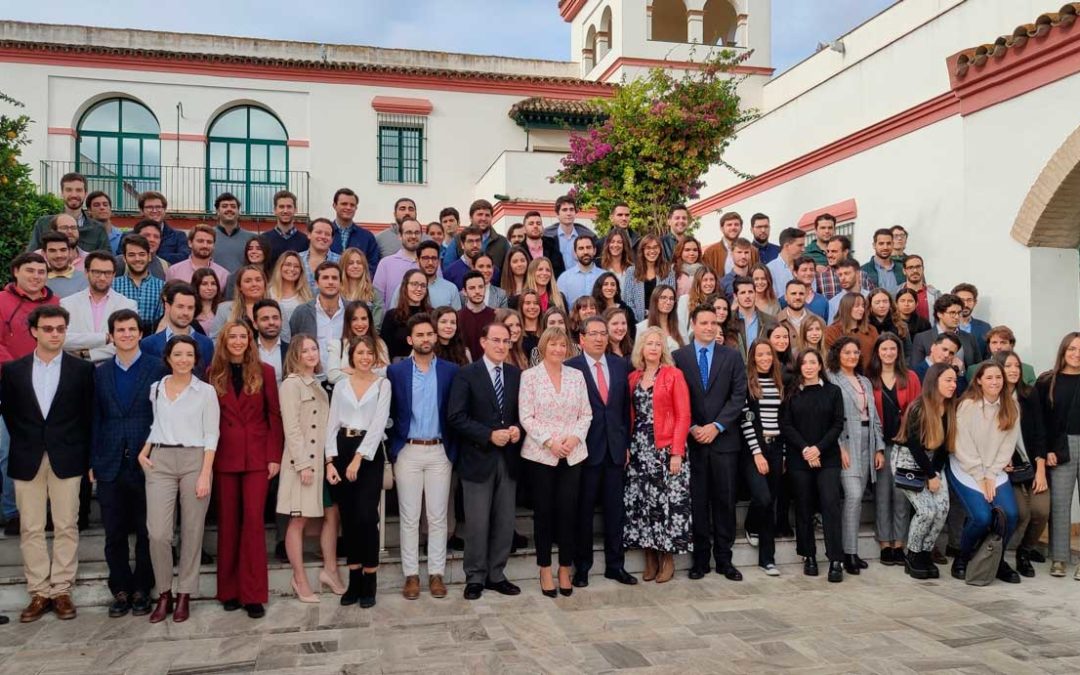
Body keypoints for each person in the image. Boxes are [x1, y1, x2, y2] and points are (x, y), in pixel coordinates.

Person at [1, 305, 93, 623]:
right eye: (48, 328)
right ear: (34, 331)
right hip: (27, 457)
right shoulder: (13, 371)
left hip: (67, 456)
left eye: (60, 329)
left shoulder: (82, 370)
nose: (55, 334)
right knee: (31, 527)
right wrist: (30, 442)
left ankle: (62, 590)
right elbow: (12, 416)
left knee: (67, 525)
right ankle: (39, 591)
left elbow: (87, 416)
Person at [139, 335, 219, 623]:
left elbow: (212, 434)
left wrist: (205, 473)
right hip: (160, 460)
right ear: (168, 358)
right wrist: (145, 449)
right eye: (178, 354)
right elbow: (157, 423)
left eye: (189, 354)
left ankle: (185, 592)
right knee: (158, 532)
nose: (183, 359)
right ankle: (164, 593)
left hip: (194, 459)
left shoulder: (206, 392)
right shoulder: (156, 388)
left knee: (192, 530)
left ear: (196, 359)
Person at [91, 309, 165, 618]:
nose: (126, 334)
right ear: (111, 335)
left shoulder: (157, 368)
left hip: (145, 460)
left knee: (147, 530)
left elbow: (164, 415)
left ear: (140, 333)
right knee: (114, 532)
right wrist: (92, 459)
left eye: (131, 329)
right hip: (109, 461)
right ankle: (119, 588)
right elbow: (94, 418)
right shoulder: (99, 372)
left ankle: (142, 588)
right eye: (120, 330)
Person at [207, 321, 283, 618]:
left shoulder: (264, 373)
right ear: (223, 341)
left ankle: (252, 594)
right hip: (224, 457)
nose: (238, 341)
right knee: (227, 523)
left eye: (243, 336)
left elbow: (274, 416)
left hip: (256, 458)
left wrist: (274, 455)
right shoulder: (212, 374)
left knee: (252, 522)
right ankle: (228, 591)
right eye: (232, 337)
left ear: (250, 341)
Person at [447, 323, 524, 600]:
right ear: (483, 342)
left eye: (506, 341)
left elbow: (523, 413)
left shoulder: (516, 375)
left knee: (504, 522)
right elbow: (456, 417)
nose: (502, 346)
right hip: (478, 459)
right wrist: (489, 435)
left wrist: (518, 428)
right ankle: (475, 577)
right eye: (496, 340)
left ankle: (496, 574)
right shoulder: (467, 374)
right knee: (477, 523)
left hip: (509, 459)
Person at [673, 304, 748, 580]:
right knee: (698, 502)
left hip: (724, 441)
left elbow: (739, 396)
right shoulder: (678, 357)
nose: (708, 327)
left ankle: (724, 560)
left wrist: (716, 426)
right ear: (692, 324)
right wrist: (692, 426)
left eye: (712, 323)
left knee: (725, 501)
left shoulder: (731, 356)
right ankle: (700, 560)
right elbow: (676, 398)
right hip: (692, 442)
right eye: (702, 322)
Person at [386, 314, 459, 600]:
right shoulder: (397, 372)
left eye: (430, 334)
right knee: (409, 516)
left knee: (438, 516)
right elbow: (389, 411)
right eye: (420, 335)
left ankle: (436, 574)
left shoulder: (451, 371)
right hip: (409, 450)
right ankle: (411, 576)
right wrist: (395, 447)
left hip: (440, 450)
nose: (426, 339)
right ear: (410, 340)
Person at [519, 327, 592, 597]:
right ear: (544, 346)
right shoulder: (530, 377)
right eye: (553, 345)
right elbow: (527, 416)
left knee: (568, 512)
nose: (559, 350)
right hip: (541, 455)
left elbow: (586, 413)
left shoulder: (577, 376)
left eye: (563, 345)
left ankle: (564, 567)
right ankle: (544, 567)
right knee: (544, 513)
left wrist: (573, 439)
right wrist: (551, 442)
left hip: (572, 454)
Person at [567, 316, 635, 587]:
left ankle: (615, 566)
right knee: (583, 512)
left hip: (616, 451)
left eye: (602, 333)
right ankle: (582, 567)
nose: (599, 338)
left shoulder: (621, 365)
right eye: (593, 333)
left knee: (615, 511)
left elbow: (624, 409)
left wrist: (626, 444)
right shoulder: (571, 368)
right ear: (581, 339)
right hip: (585, 450)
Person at [276, 335, 345, 601]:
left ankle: (330, 570)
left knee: (332, 513)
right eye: (305, 350)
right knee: (298, 519)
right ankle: (299, 578)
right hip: (302, 463)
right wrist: (302, 464)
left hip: (322, 462)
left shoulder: (318, 383)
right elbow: (291, 429)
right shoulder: (291, 385)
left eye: (314, 349)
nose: (311, 354)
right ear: (295, 354)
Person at [325, 336, 392, 608]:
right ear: (351, 356)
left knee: (366, 516)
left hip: (369, 452)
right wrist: (330, 461)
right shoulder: (341, 386)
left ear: (375, 357)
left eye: (369, 353)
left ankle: (370, 578)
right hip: (342, 447)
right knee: (349, 517)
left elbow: (377, 426)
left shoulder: (382, 385)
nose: (365, 357)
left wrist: (358, 459)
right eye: (360, 352)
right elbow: (332, 423)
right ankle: (353, 578)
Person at [625, 326, 692, 583]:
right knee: (643, 504)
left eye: (658, 343)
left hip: (665, 449)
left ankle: (667, 559)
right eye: (649, 343)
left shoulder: (673, 375)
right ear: (641, 347)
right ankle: (650, 557)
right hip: (640, 449)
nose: (653, 347)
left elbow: (683, 414)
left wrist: (676, 453)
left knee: (667, 506)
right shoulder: (633, 378)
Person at [947, 361, 1022, 583]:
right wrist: (980, 475)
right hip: (966, 467)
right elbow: (962, 444)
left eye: (998, 377)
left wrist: (991, 474)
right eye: (989, 377)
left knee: (1010, 515)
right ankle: (963, 557)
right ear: (978, 380)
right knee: (981, 517)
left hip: (994, 469)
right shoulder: (967, 405)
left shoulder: (1011, 406)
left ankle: (995, 560)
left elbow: (1008, 445)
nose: (995, 382)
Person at [781, 348, 846, 581]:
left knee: (830, 504)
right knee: (804, 506)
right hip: (800, 458)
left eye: (813, 362)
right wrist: (807, 450)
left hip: (827, 457)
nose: (808, 366)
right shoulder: (791, 393)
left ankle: (836, 559)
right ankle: (808, 555)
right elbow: (786, 425)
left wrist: (818, 448)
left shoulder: (833, 391)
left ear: (820, 365)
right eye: (804, 363)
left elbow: (837, 424)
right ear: (799, 367)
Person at [825, 336, 886, 575]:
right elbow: (830, 417)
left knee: (858, 497)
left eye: (856, 352)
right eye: (847, 352)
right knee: (852, 495)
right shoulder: (831, 378)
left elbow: (874, 417)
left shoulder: (865, 381)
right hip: (845, 442)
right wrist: (838, 447)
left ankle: (852, 551)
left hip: (866, 441)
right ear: (838, 354)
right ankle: (846, 553)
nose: (852, 356)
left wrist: (879, 447)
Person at [890, 362, 957, 579]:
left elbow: (946, 446)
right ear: (934, 382)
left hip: (933, 463)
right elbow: (914, 445)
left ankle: (926, 552)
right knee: (926, 511)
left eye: (954, 380)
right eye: (948, 380)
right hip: (910, 460)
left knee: (941, 510)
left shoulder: (949, 409)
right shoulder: (919, 407)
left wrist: (935, 473)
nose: (953, 385)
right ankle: (914, 554)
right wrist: (929, 476)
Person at [866, 333, 920, 567]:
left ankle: (899, 543)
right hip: (880, 445)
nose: (888, 353)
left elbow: (917, 411)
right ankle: (885, 544)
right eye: (884, 349)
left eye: (892, 349)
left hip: (905, 444)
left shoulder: (910, 377)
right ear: (877, 352)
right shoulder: (869, 378)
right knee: (882, 496)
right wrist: (876, 448)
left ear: (898, 352)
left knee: (902, 496)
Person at [993, 351, 1048, 578]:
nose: (1014, 370)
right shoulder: (992, 397)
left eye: (1017, 366)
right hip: (1005, 470)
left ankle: (1024, 553)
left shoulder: (1029, 394)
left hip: (1033, 465)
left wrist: (1041, 469)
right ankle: (999, 556)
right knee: (1021, 512)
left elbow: (1039, 433)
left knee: (1042, 510)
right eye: (1008, 366)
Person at [1035, 332, 1080, 578]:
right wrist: (1047, 450)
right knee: (1060, 504)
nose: (1076, 354)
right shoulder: (1047, 381)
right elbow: (1041, 421)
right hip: (1060, 447)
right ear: (1063, 351)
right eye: (1071, 348)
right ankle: (1060, 558)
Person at [740, 340, 785, 577]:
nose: (765, 357)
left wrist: (784, 453)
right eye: (760, 354)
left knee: (772, 504)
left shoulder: (779, 383)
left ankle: (767, 560)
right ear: (753, 358)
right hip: (754, 450)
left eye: (769, 353)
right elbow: (746, 420)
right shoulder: (748, 384)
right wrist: (757, 452)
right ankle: (750, 524)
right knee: (763, 498)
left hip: (777, 448)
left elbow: (784, 420)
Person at [61, 251, 136, 362]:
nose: (102, 278)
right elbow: (63, 339)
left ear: (114, 274)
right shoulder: (67, 303)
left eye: (107, 273)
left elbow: (128, 342)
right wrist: (105, 338)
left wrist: (88, 354)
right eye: (97, 272)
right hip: (76, 371)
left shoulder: (127, 304)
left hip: (110, 370)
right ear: (86, 272)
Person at [140, 282, 215, 378]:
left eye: (190, 308)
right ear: (167, 306)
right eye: (180, 307)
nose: (185, 313)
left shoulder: (206, 344)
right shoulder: (148, 344)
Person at [28, 172, 109, 253]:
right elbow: (30, 257)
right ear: (62, 193)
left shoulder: (98, 229)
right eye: (69, 190)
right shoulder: (43, 224)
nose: (74, 194)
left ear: (85, 194)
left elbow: (106, 261)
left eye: (79, 190)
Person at [290, 262, 347, 369]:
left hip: (345, 379)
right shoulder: (302, 312)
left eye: (334, 278)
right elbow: (292, 347)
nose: (330, 282)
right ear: (316, 283)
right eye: (325, 278)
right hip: (312, 379)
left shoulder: (352, 310)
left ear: (341, 283)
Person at [910, 294, 981, 369]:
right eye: (952, 313)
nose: (957, 317)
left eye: (959, 313)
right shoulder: (922, 338)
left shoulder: (969, 338)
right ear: (939, 314)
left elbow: (978, 369)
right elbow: (916, 370)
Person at [327, 301, 389, 383]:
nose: (360, 324)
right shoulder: (337, 345)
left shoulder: (379, 344)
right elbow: (333, 376)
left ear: (369, 321)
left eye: (363, 319)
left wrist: (356, 372)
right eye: (354, 319)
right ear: (348, 322)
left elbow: (386, 372)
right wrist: (370, 373)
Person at [113, 234, 165, 330]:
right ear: (124, 258)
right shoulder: (113, 285)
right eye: (132, 255)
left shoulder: (162, 287)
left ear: (149, 257)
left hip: (151, 340)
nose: (137, 259)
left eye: (142, 254)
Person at [623, 235, 674, 323]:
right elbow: (628, 300)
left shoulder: (668, 272)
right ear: (642, 250)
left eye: (655, 247)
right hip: (636, 322)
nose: (652, 251)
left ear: (660, 250)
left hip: (661, 321)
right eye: (648, 248)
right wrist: (639, 319)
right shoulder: (631, 272)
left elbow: (671, 299)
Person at [328, 188, 381, 271]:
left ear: (356, 208)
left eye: (352, 205)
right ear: (334, 205)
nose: (348, 207)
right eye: (344, 204)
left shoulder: (367, 237)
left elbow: (373, 266)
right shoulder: (325, 234)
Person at [371, 217, 422, 304]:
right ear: (400, 236)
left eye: (417, 233)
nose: (413, 236)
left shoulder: (430, 264)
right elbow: (377, 301)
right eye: (408, 232)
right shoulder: (386, 264)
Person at [824, 293, 879, 371]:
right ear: (846, 307)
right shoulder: (832, 331)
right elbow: (834, 359)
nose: (861, 309)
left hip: (870, 376)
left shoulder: (871, 330)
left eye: (863, 306)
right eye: (857, 306)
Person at [396, 240, 459, 310]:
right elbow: (395, 315)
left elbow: (456, 319)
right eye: (426, 258)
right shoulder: (404, 287)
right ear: (417, 260)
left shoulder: (451, 289)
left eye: (434, 258)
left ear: (439, 261)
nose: (430, 263)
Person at [457, 270, 496, 379]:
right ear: (464, 291)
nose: (477, 291)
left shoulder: (495, 316)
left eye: (480, 287)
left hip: (491, 373)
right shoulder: (457, 318)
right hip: (465, 373)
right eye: (472, 288)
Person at [210, 265, 268, 338]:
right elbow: (214, 339)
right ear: (240, 287)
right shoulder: (223, 309)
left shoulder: (277, 308)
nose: (254, 284)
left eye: (258, 280)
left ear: (265, 284)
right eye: (248, 281)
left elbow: (284, 340)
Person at [969, 325, 1037, 386]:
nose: (998, 347)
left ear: (1011, 345)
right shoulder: (974, 370)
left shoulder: (1027, 370)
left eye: (1003, 342)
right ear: (988, 345)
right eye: (994, 342)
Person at [268, 251, 314, 341]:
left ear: (301, 270)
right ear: (280, 267)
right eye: (288, 264)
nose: (292, 269)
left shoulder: (306, 295)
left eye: (296, 266)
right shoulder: (268, 293)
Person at [135, 191, 190, 264]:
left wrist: (150, 257)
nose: (154, 211)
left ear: (164, 210)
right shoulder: (129, 236)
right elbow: (122, 258)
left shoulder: (178, 236)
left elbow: (184, 258)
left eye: (158, 207)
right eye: (149, 207)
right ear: (141, 211)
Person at [543, 195, 595, 272]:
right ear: (557, 214)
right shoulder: (548, 238)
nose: (569, 213)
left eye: (571, 209)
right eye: (564, 210)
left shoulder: (586, 236)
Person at [165, 225, 229, 287]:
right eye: (200, 241)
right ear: (190, 243)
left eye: (209, 242)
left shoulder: (223, 275)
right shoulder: (174, 271)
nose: (205, 245)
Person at [208, 192, 254, 273]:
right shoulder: (207, 237)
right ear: (217, 211)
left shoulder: (252, 239)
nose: (229, 209)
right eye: (224, 206)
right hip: (214, 284)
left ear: (238, 211)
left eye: (233, 206)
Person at [339, 247, 384, 325]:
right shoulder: (336, 293)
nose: (355, 266)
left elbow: (376, 325)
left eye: (359, 263)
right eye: (350, 263)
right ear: (344, 266)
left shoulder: (374, 293)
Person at [263, 190, 308, 266]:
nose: (285, 211)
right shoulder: (263, 240)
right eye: (281, 207)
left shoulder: (305, 241)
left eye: (289, 207)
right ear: (275, 210)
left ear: (295, 210)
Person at [732, 275, 776, 351]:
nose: (747, 296)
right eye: (743, 293)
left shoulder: (770, 321)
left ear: (755, 294)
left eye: (750, 292)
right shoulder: (729, 321)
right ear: (735, 296)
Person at [558, 235, 604, 305]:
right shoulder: (564, 279)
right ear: (575, 253)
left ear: (594, 251)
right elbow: (560, 306)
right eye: (581, 248)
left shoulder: (604, 276)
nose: (585, 252)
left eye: (588, 247)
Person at [676, 267, 718, 344]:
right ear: (698, 282)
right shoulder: (685, 300)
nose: (709, 283)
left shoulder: (719, 301)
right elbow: (681, 327)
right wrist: (687, 348)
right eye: (705, 280)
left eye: (712, 280)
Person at [298, 218, 341, 293]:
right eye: (318, 232)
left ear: (332, 239)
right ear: (309, 234)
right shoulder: (297, 260)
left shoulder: (340, 262)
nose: (323, 236)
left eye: (327, 234)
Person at [41, 231, 88, 298]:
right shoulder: (38, 279)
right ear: (44, 253)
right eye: (52, 251)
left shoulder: (86, 279)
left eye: (63, 250)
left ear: (70, 252)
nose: (58, 255)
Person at [636, 283, 682, 352]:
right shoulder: (642, 327)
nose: (668, 302)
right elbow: (638, 355)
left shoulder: (680, 324)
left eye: (671, 299)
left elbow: (686, 351)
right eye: (663, 298)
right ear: (655, 300)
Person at [897, 255, 941, 326]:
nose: (915, 271)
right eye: (910, 267)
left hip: (929, 335)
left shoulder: (935, 295)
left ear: (923, 269)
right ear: (904, 271)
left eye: (918, 267)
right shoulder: (895, 293)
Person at [521, 211, 566, 279]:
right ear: (524, 229)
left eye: (538, 223)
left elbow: (560, 274)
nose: (535, 226)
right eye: (531, 223)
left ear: (542, 227)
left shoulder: (553, 247)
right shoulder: (519, 250)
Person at [952, 283, 992, 357]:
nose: (965, 304)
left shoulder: (985, 327)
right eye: (961, 300)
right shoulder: (944, 326)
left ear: (975, 303)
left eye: (969, 300)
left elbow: (988, 355)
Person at [253, 299, 288, 383]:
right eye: (265, 319)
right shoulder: (247, 351)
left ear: (281, 321)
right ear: (255, 324)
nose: (271, 322)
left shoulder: (291, 350)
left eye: (275, 318)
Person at [867, 288, 911, 356]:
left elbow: (908, 353)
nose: (882, 306)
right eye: (877, 302)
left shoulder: (901, 326)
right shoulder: (865, 327)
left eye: (885, 301)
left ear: (890, 304)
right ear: (870, 306)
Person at [860, 228, 904, 294]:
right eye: (881, 244)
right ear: (874, 245)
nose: (885, 247)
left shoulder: (902, 269)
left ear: (893, 245)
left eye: (888, 243)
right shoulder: (863, 271)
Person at [825, 258, 869, 323]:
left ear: (857, 274)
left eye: (846, 273)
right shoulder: (833, 303)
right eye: (840, 275)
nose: (842, 278)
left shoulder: (869, 297)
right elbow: (832, 329)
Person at [764, 227, 806, 294]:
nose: (803, 249)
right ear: (786, 246)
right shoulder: (769, 269)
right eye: (800, 245)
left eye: (803, 245)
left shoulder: (806, 268)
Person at [85, 190, 122, 255]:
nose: (102, 207)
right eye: (97, 205)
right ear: (89, 210)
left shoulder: (122, 237)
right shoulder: (84, 237)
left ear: (110, 209)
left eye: (105, 205)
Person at [192, 268, 224, 336]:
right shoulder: (190, 311)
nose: (210, 288)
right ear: (196, 286)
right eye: (204, 284)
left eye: (213, 284)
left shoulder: (224, 309)